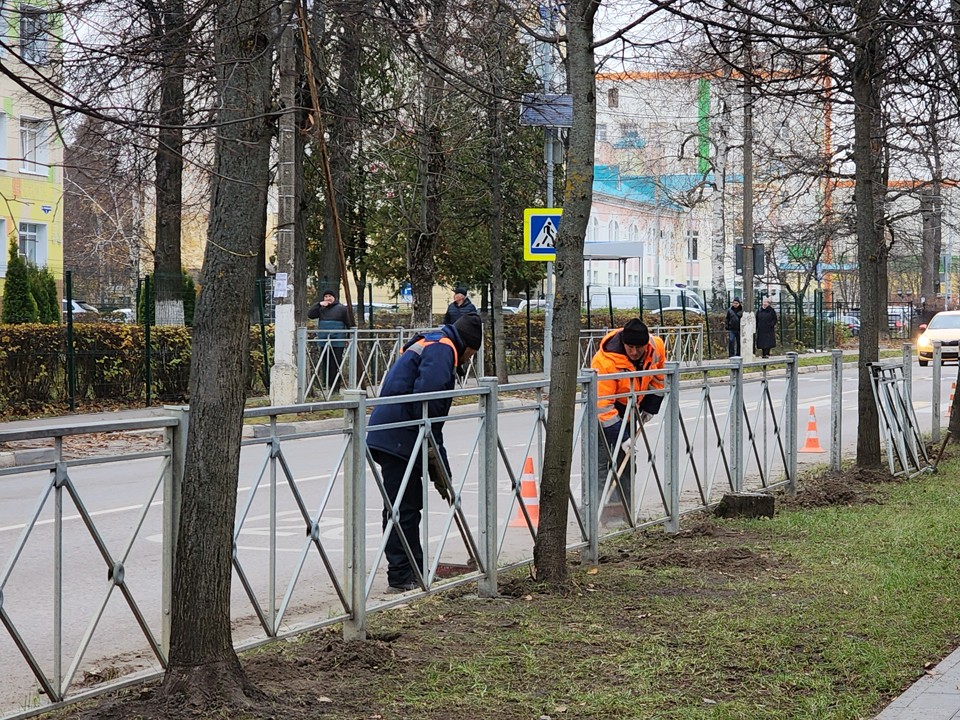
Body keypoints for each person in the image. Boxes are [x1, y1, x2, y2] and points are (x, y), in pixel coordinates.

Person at [366, 313, 483, 593]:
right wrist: (438, 462)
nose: (468, 360)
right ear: (468, 345)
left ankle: (414, 572)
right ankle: (401, 576)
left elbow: (429, 414)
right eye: (472, 354)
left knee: (406, 506)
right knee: (401, 509)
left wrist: (436, 461)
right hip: (399, 436)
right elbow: (429, 407)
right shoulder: (444, 349)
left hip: (397, 434)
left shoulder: (434, 343)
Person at [590, 318, 666, 519]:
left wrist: (650, 407)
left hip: (631, 411)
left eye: (638, 348)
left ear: (646, 345)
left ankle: (624, 513)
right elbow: (603, 405)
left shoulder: (656, 347)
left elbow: (659, 377)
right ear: (623, 342)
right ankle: (600, 513)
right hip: (604, 416)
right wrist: (622, 437)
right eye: (630, 347)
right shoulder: (605, 362)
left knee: (627, 464)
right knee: (601, 464)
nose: (634, 352)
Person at [307, 289, 353, 390]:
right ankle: (326, 385)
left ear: (334, 298)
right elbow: (310, 314)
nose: (327, 298)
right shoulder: (321, 309)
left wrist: (349, 337)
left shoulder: (341, 308)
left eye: (329, 296)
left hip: (337, 341)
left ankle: (335, 387)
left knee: (336, 363)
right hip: (324, 340)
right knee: (326, 363)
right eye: (325, 296)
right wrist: (318, 304)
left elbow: (348, 323)